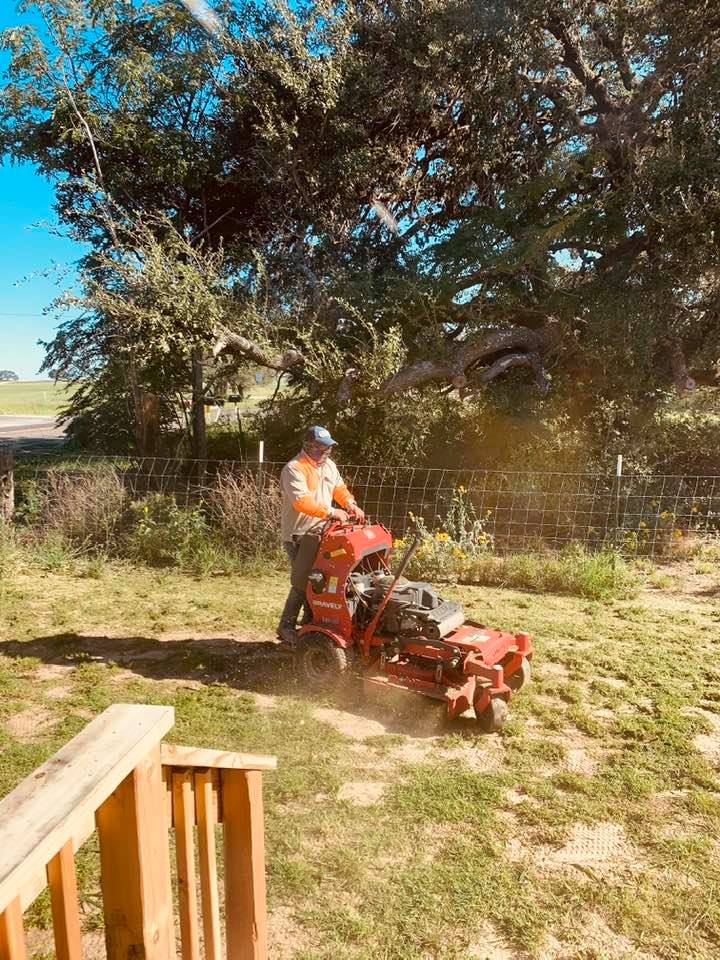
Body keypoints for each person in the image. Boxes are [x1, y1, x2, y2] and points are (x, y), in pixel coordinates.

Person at [277, 426, 365, 644]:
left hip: (323, 532)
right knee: (303, 581)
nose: (326, 451)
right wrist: (332, 512)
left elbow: (339, 488)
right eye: (322, 447)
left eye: (328, 447)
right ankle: (286, 626)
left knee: (320, 582)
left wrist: (350, 504)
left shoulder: (328, 466)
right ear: (309, 447)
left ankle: (311, 624)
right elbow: (302, 502)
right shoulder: (294, 469)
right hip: (299, 534)